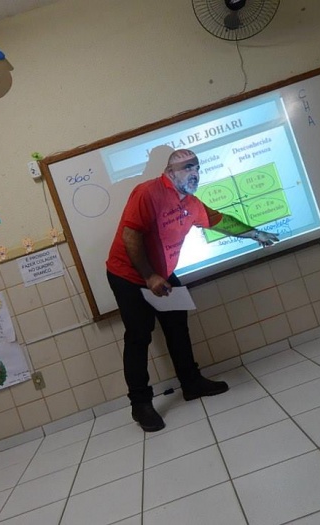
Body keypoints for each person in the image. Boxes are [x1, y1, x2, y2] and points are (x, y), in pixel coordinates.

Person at [106, 149, 279, 432]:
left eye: (197, 167)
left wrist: (255, 234)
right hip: (128, 275)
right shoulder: (147, 193)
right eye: (187, 167)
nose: (195, 173)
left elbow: (220, 221)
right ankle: (140, 405)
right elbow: (130, 235)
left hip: (162, 274)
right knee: (138, 336)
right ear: (170, 172)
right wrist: (149, 276)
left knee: (178, 328)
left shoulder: (191, 203)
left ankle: (191, 383)